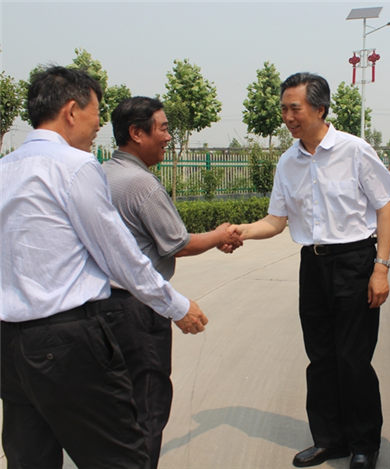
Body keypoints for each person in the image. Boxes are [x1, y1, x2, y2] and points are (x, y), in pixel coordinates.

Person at [0, 66, 208, 469]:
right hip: (68, 341)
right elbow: (120, 255)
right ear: (71, 111)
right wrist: (177, 307)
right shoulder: (75, 166)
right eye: (96, 112)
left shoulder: (6, 169)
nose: (99, 125)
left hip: (10, 345)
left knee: (30, 458)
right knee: (120, 457)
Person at [228, 73, 390, 469]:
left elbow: (385, 207)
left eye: (295, 108)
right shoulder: (288, 162)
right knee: (320, 357)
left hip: (355, 262)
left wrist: (381, 267)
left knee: (353, 358)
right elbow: (275, 220)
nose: (288, 117)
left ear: (320, 109)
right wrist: (241, 232)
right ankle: (329, 440)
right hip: (313, 265)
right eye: (284, 109)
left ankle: (364, 443)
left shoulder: (354, 151)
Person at [102, 96, 242, 469]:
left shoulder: (101, 175)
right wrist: (220, 234)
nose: (168, 137)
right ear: (137, 133)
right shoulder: (141, 184)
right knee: (147, 405)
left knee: (114, 406)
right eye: (163, 129)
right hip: (139, 309)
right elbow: (177, 244)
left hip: (99, 309)